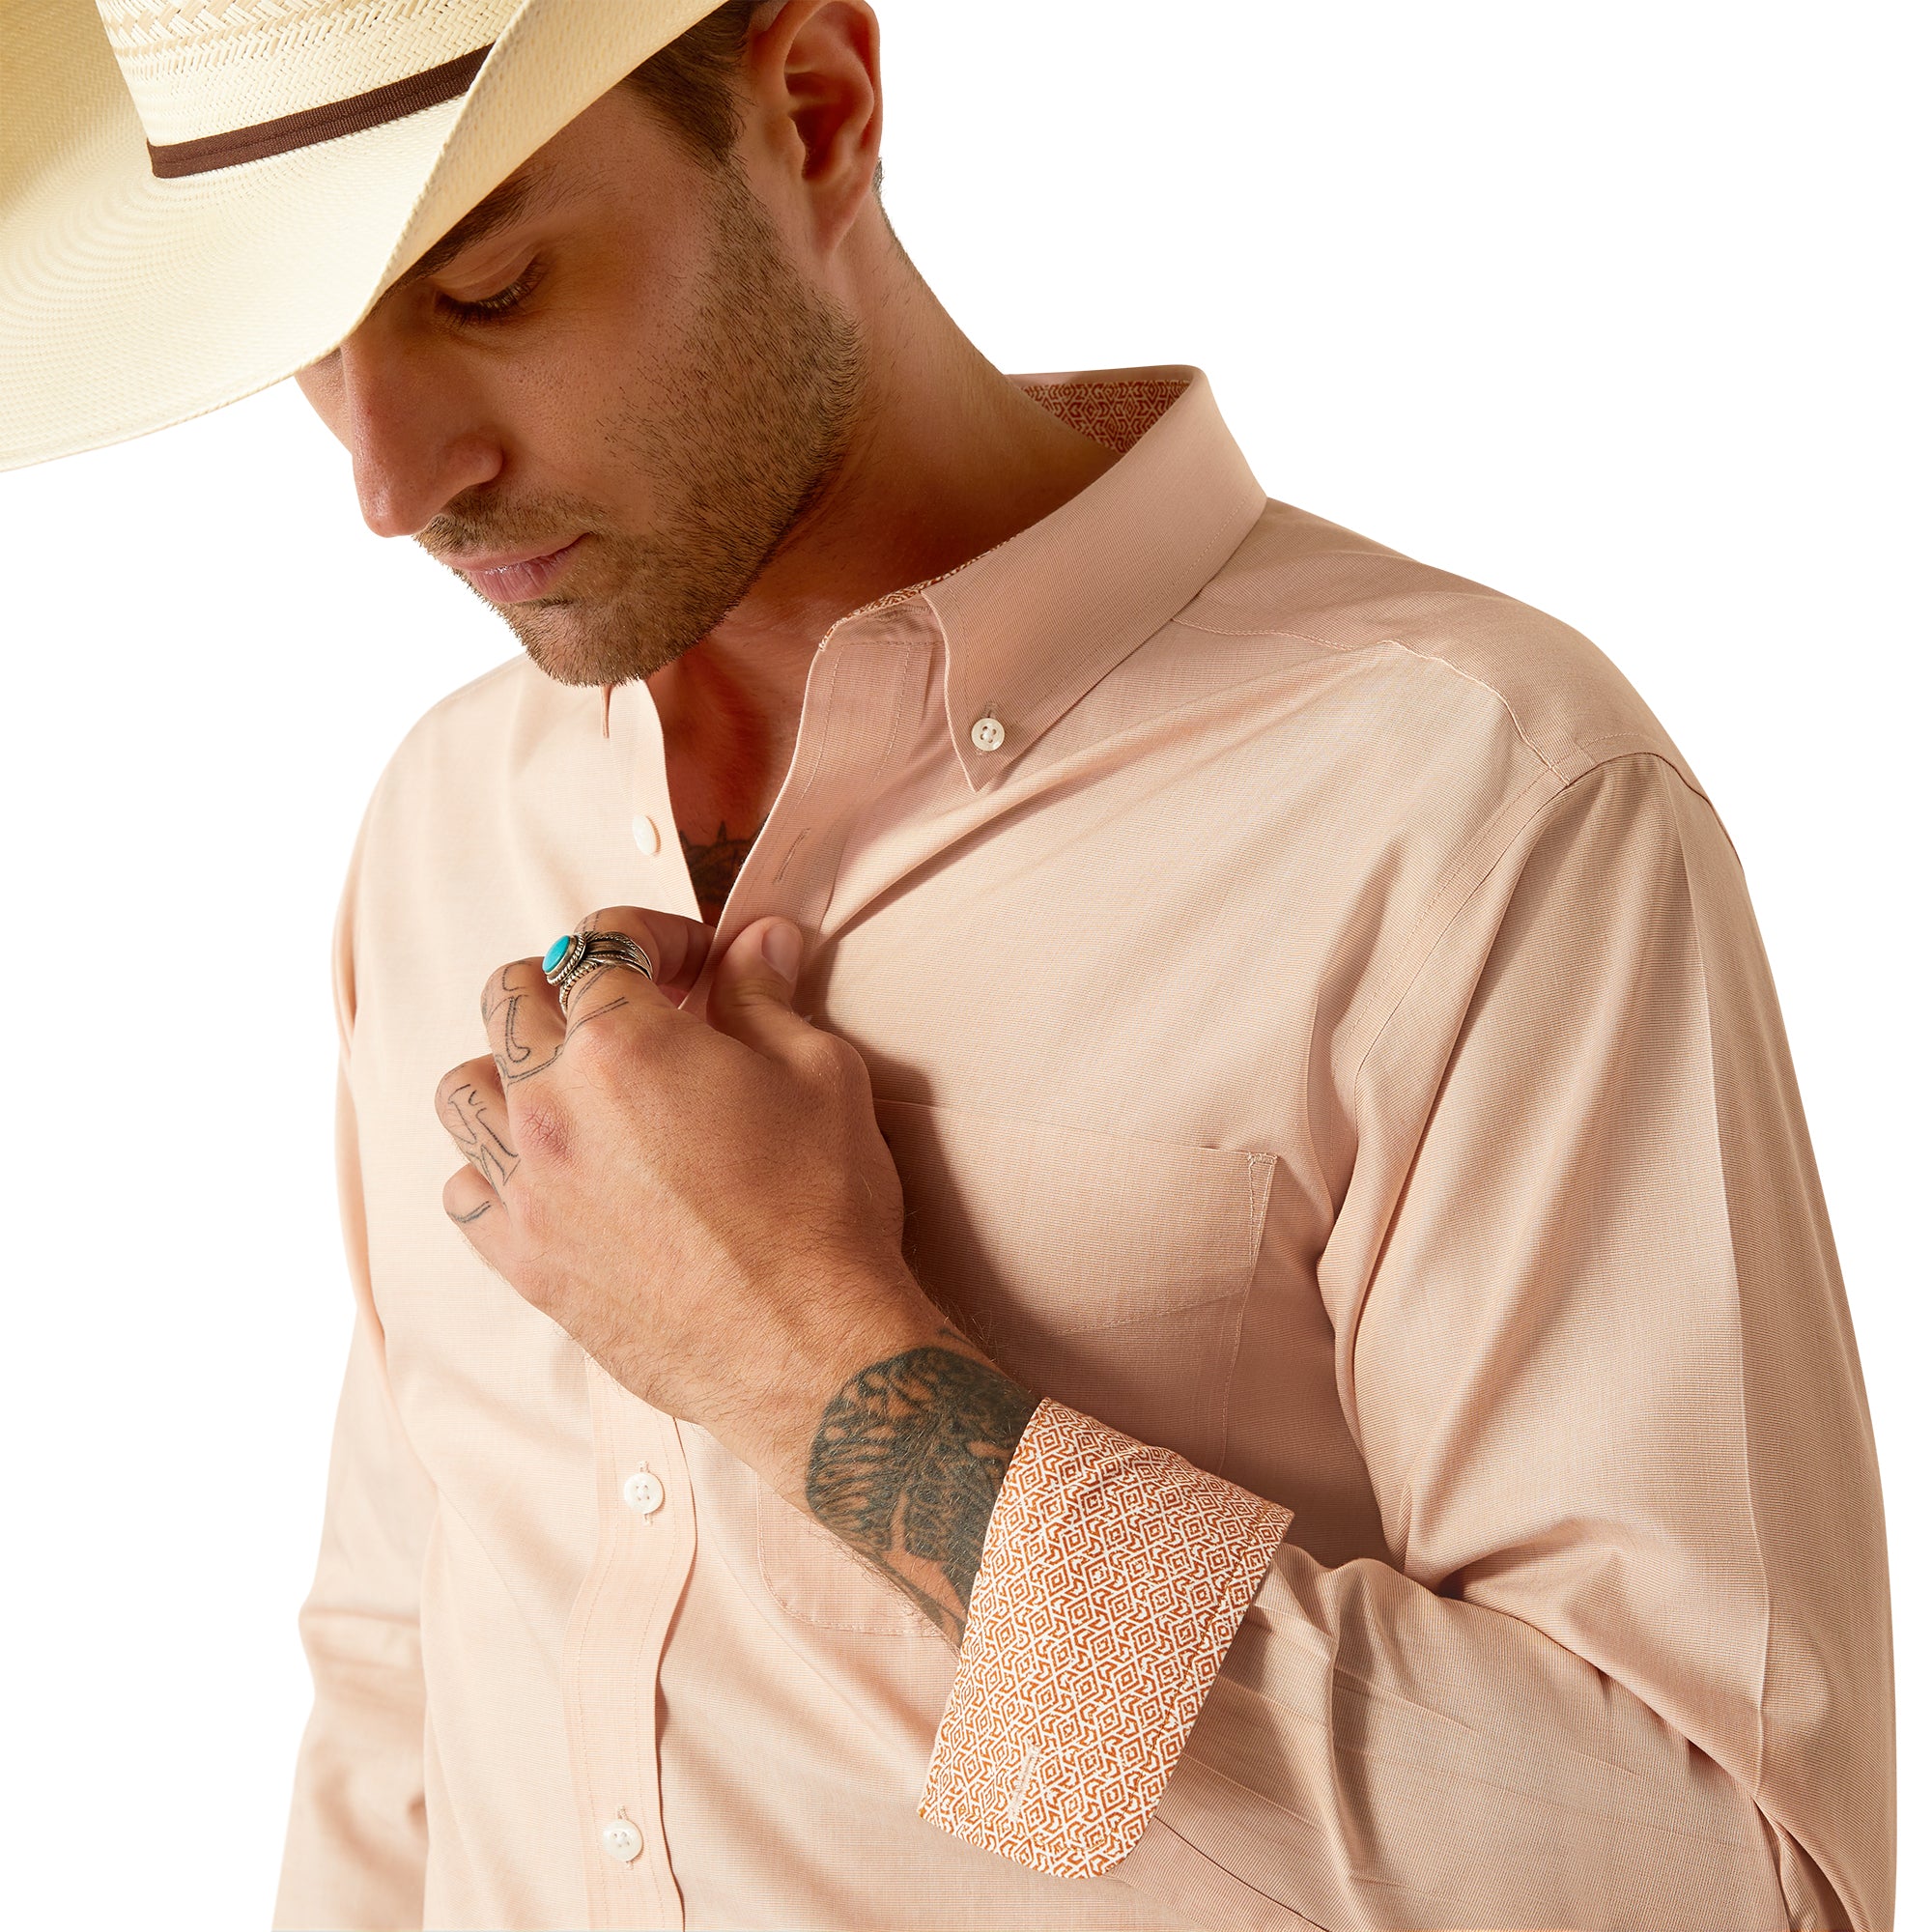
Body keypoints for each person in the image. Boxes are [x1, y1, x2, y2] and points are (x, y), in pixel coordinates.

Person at [0, 2, 1895, 1928]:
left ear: (817, 113)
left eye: (489, 292)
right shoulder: (445, 814)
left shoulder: (1470, 808)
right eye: (309, 342)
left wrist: (814, 1372)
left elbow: (1729, 1882)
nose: (391, 484)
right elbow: (402, 1681)